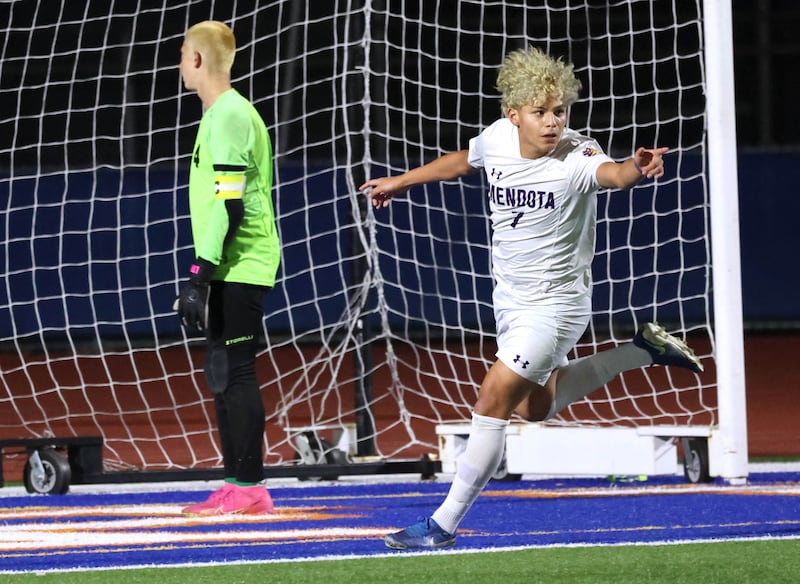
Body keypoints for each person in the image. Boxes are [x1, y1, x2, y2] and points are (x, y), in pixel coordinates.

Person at [359, 47, 703, 549]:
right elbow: (464, 160)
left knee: (492, 398)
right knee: (533, 410)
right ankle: (641, 350)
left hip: (557, 305)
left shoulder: (578, 155)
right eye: (541, 112)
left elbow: (612, 174)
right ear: (513, 114)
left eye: (560, 111)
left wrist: (635, 166)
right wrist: (401, 180)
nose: (552, 122)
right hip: (512, 301)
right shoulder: (498, 139)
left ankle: (442, 525)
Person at [175, 20, 280, 516]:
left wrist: (199, 274)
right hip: (226, 265)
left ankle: (250, 488)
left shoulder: (231, 115)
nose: (179, 66)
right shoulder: (217, 114)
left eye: (181, 57)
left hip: (242, 262)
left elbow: (231, 206)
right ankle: (234, 481)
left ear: (196, 60)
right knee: (222, 371)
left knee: (236, 372)